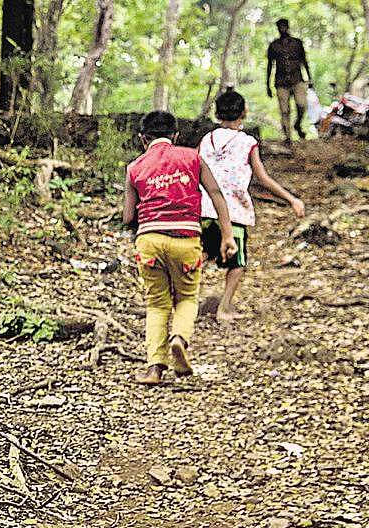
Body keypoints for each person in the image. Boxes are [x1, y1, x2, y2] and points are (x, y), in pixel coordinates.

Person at [123, 111, 237, 386]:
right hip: (186, 240)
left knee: (156, 304)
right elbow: (217, 195)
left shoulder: (135, 167)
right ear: (175, 136)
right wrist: (227, 236)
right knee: (186, 298)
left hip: (149, 241)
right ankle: (179, 339)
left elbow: (128, 218)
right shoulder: (193, 158)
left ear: (142, 138)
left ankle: (154, 369)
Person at [199, 89, 306, 322]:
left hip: (204, 209)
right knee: (237, 263)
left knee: (203, 253)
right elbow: (263, 178)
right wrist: (292, 199)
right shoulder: (248, 142)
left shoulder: (207, 139)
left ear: (217, 113)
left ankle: (185, 301)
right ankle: (224, 308)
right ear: (243, 113)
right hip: (233, 213)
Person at [266, 18, 313, 144]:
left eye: (284, 26)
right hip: (281, 82)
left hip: (297, 79)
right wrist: (268, 85)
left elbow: (304, 61)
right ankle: (287, 137)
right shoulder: (274, 46)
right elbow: (270, 65)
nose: (282, 28)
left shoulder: (297, 43)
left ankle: (297, 124)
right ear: (277, 28)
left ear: (288, 26)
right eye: (280, 26)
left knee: (302, 105)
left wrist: (310, 78)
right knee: (284, 110)